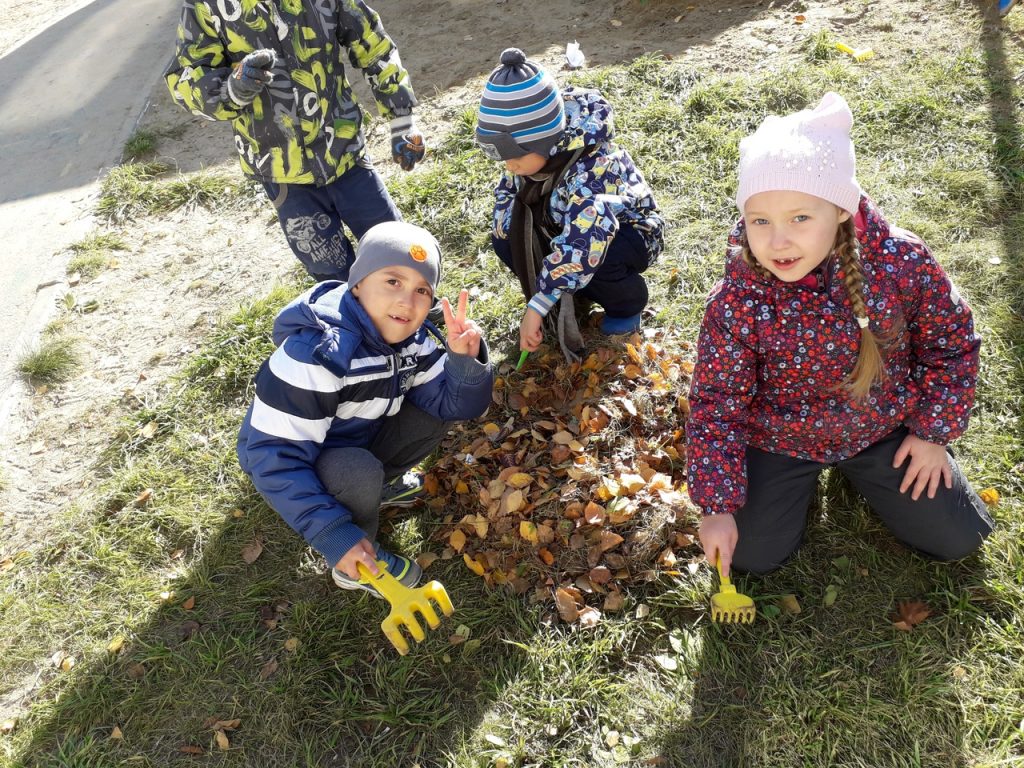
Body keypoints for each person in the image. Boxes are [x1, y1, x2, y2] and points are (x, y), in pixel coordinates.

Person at [686, 92, 993, 578]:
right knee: (751, 557)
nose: (778, 241)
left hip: (883, 426)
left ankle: (870, 474)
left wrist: (932, 433)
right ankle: (790, 491)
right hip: (781, 438)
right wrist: (717, 505)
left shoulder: (900, 264)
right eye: (760, 220)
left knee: (957, 539)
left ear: (842, 211)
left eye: (800, 218)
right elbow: (716, 402)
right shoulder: (737, 299)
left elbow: (952, 344)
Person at [237, 222, 493, 593]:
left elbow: (454, 403)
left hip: (360, 434)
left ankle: (374, 491)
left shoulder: (413, 339)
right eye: (392, 281)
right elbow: (273, 457)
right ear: (357, 284)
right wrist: (334, 535)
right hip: (306, 459)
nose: (407, 301)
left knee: (434, 414)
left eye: (422, 290)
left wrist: (463, 363)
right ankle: (357, 562)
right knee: (355, 471)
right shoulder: (315, 355)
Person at [164, 1, 426, 283]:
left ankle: (426, 316)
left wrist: (402, 119)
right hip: (282, 172)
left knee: (394, 249)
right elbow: (186, 75)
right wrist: (231, 90)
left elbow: (372, 44)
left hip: (345, 152)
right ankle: (351, 324)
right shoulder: (207, 6)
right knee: (332, 275)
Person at [475, 48, 664, 359]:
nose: (508, 165)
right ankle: (572, 291)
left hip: (625, 231)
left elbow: (585, 240)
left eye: (515, 155)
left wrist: (539, 302)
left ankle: (626, 305)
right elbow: (509, 203)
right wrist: (514, 241)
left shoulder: (591, 168)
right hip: (567, 226)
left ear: (545, 141)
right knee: (506, 237)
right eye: (500, 156)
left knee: (600, 257)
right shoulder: (528, 162)